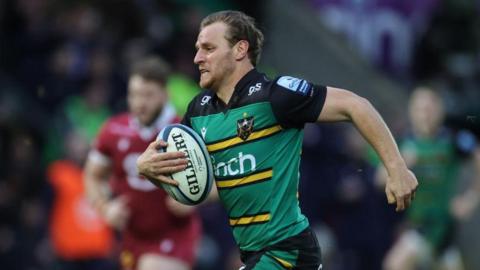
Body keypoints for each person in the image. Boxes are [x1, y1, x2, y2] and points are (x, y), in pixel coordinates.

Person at [137, 10, 418, 269]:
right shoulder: (198, 111)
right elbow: (204, 183)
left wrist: (396, 168)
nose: (198, 57)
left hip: (287, 252)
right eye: (198, 48)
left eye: (209, 48)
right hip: (255, 253)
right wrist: (150, 170)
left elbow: (355, 105)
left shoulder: (275, 96)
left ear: (240, 49)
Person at [84, 56, 201, 270]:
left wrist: (195, 199)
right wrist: (105, 207)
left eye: (148, 95)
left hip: (175, 235)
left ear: (165, 95)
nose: (140, 103)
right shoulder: (113, 130)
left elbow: (214, 176)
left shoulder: (183, 131)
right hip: (132, 238)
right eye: (135, 95)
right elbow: (92, 175)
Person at [382, 87, 480, 270]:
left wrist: (471, 198)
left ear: (440, 111)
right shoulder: (402, 142)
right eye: (420, 109)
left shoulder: (452, 139)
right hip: (415, 225)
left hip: (442, 225)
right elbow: (378, 178)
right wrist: (398, 166)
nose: (424, 115)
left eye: (429, 109)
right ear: (411, 111)